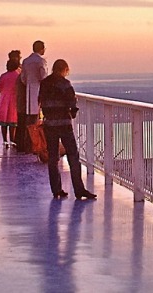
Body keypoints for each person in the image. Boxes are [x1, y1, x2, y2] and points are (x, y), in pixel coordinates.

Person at [38, 59, 97, 200]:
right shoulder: (65, 84)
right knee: (73, 156)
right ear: (64, 69)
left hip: (49, 125)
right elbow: (72, 104)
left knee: (53, 158)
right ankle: (79, 189)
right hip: (64, 125)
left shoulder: (44, 83)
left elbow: (40, 101)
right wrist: (72, 112)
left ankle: (56, 190)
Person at [21, 40, 47, 137]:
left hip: (28, 89)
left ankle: (28, 139)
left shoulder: (26, 61)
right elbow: (43, 76)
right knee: (36, 116)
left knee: (28, 116)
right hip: (38, 89)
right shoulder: (41, 61)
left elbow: (23, 77)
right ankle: (35, 140)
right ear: (41, 49)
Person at [0, 59, 20, 146]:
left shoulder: (3, 76)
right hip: (14, 100)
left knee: (4, 121)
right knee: (12, 121)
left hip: (4, 99)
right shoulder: (18, 76)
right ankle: (12, 140)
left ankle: (5, 140)